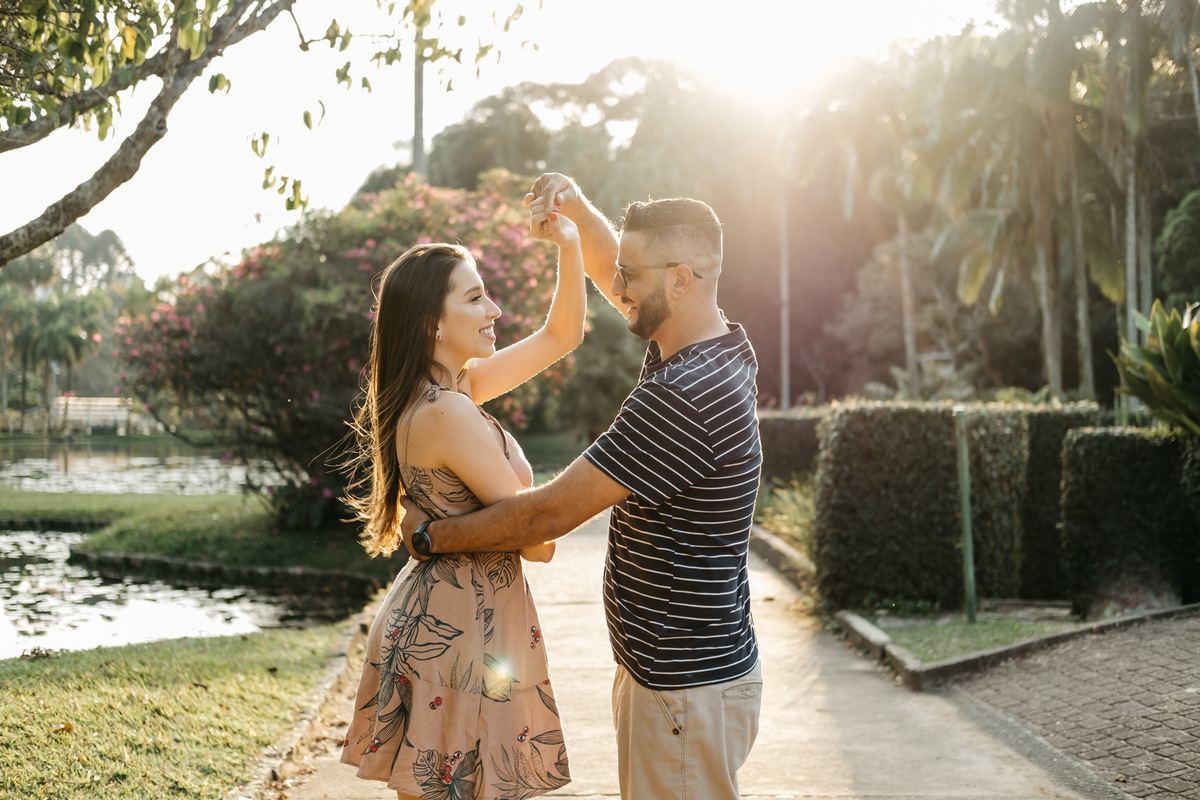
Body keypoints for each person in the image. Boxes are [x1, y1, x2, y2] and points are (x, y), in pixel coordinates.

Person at [399, 173, 763, 800]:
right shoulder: (715, 344)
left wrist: (431, 537)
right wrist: (574, 212)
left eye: (633, 278)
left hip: (681, 687)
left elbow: (546, 518)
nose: (617, 290)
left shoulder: (681, 397)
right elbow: (610, 275)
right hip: (681, 672)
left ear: (680, 280)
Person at [338, 195, 585, 799]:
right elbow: (540, 540)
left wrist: (571, 246)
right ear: (432, 323)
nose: (494, 308)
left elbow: (562, 335)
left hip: (457, 619)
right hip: (461, 632)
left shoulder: (452, 389)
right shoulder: (447, 410)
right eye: (474, 297)